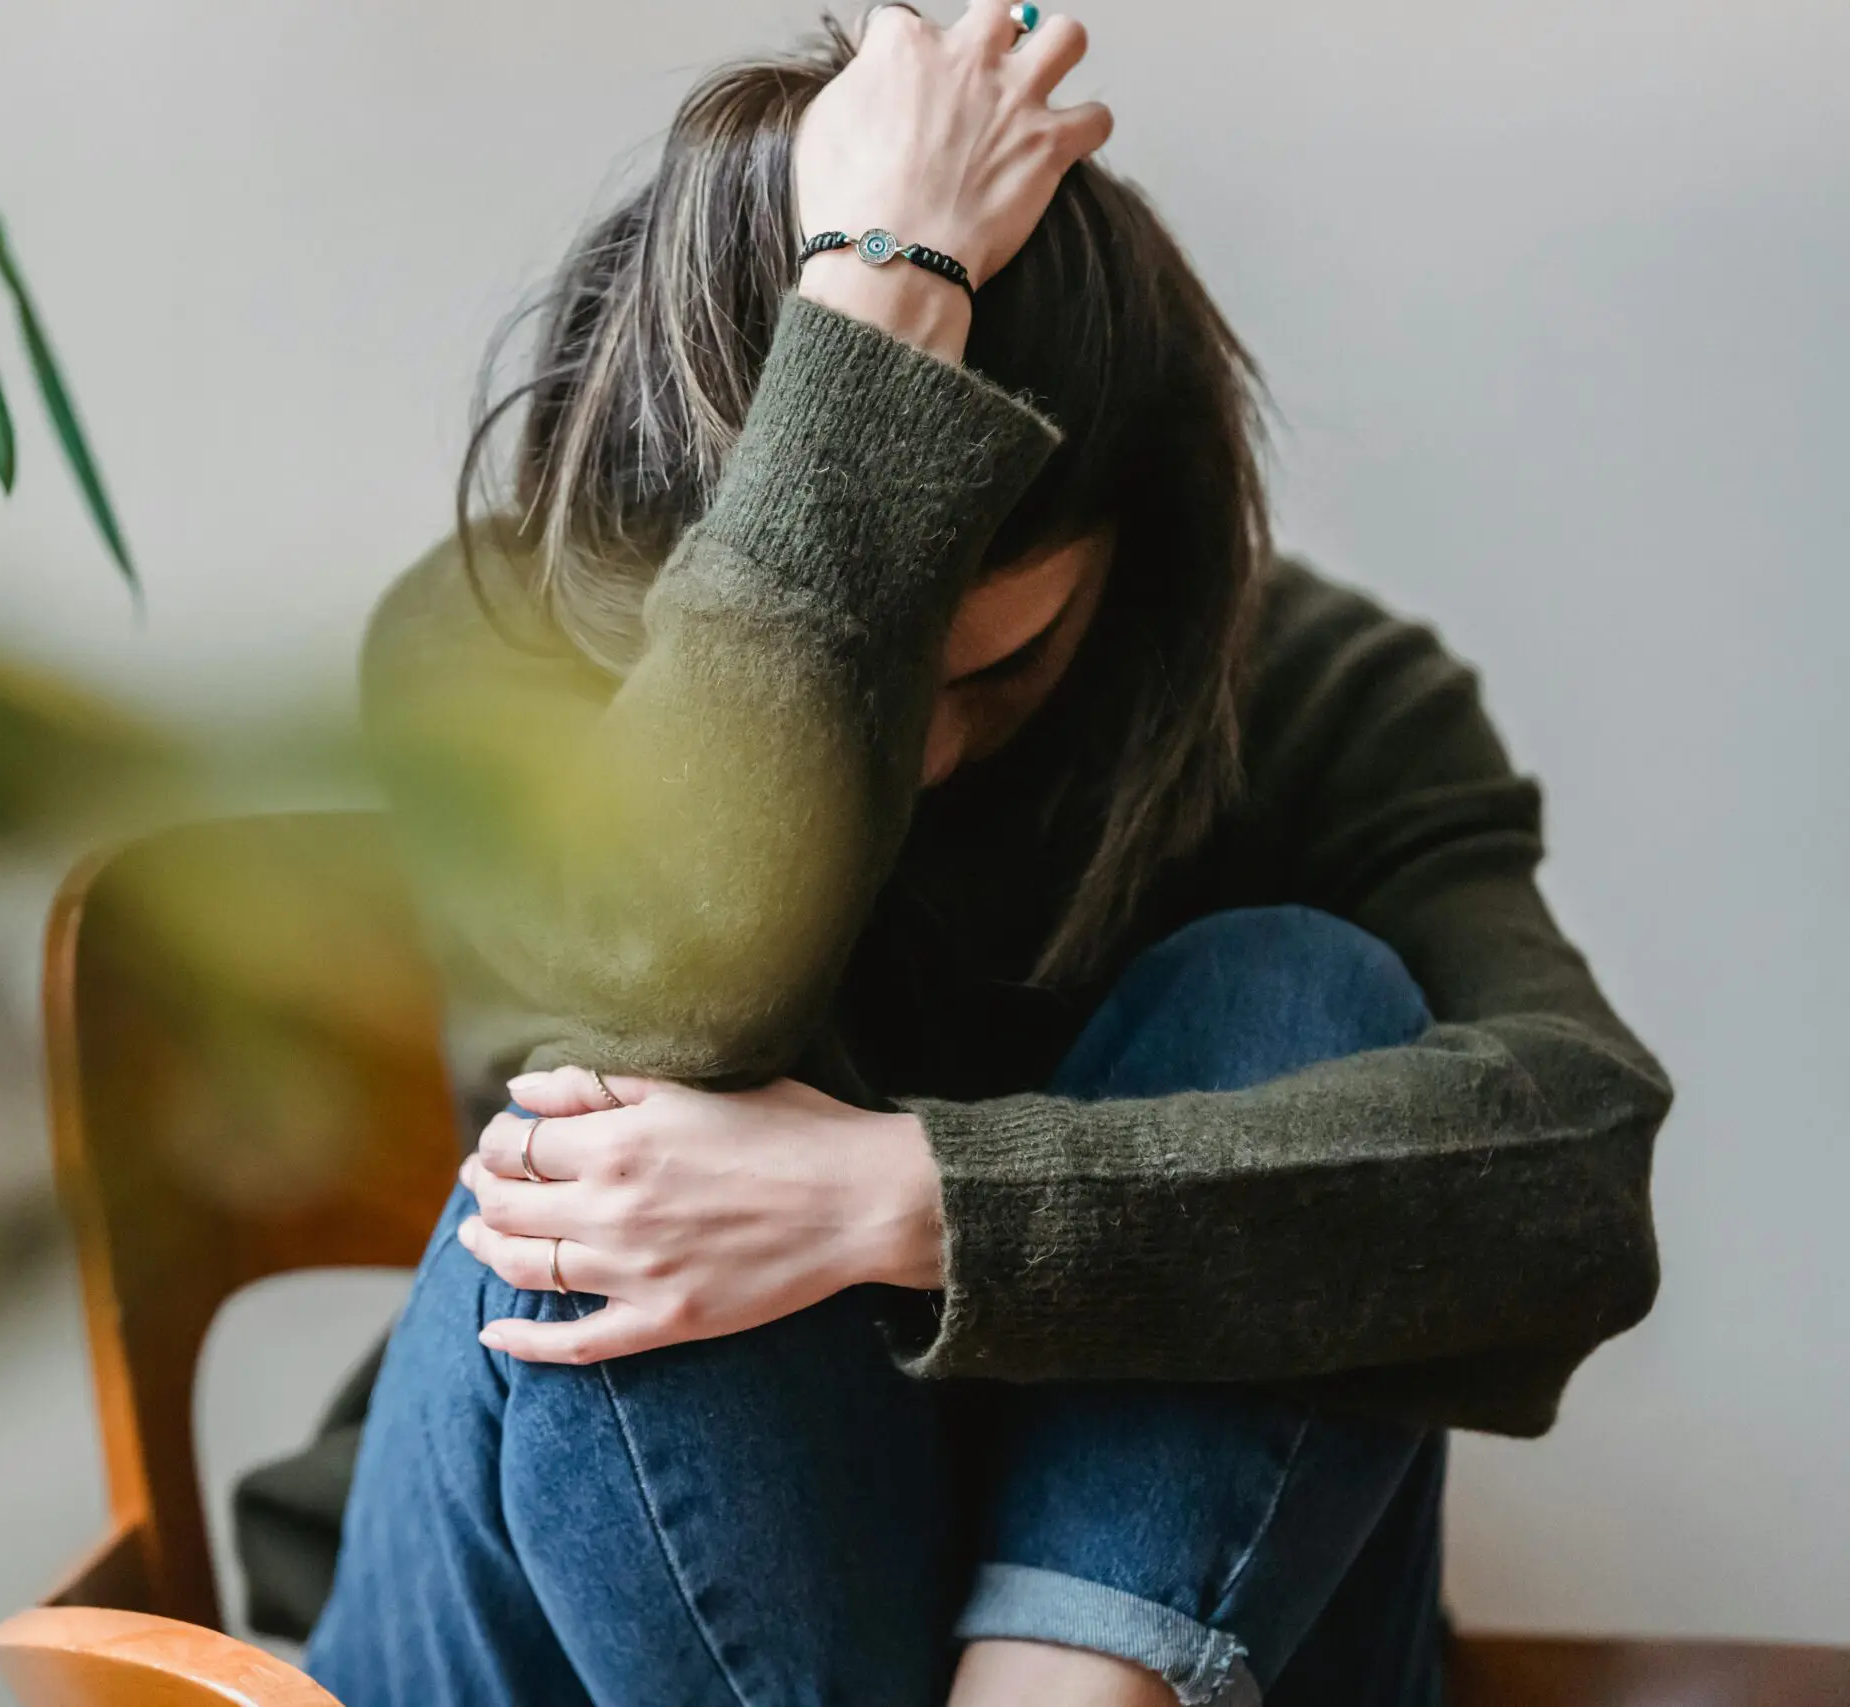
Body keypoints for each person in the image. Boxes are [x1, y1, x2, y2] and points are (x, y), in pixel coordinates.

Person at [239, 7, 1670, 1705]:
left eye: (992, 671)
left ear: (1136, 560)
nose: (916, 751)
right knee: (613, 1170)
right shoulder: (492, 643)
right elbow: (663, 1013)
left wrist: (901, 1201)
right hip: (553, 1621)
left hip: (1119, 1648)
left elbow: (1571, 1170)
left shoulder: (1299, 689)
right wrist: (882, 298)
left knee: (1301, 987)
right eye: (864, 662)